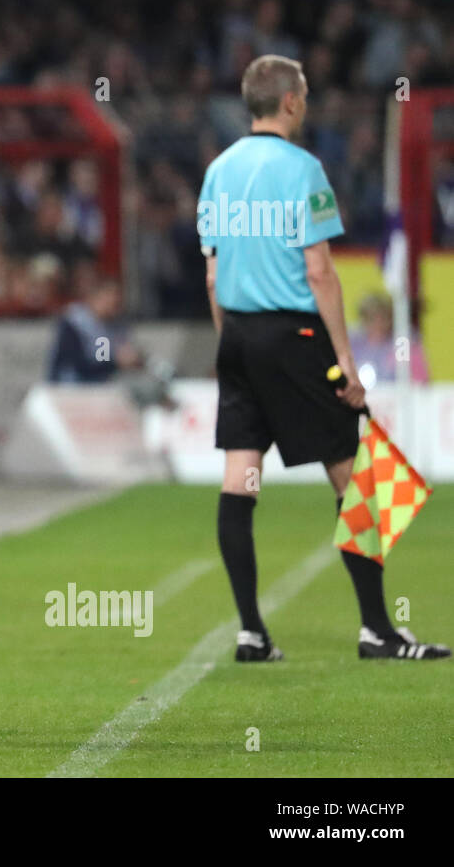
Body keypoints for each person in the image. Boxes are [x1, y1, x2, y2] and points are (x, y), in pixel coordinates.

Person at [199, 54, 448, 662]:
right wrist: (346, 362)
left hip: (238, 337)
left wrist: (228, 347)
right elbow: (319, 271)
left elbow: (212, 275)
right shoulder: (303, 170)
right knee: (356, 479)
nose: (306, 104)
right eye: (304, 94)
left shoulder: (218, 171)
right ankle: (376, 630)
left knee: (241, 480)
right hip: (297, 340)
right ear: (288, 102)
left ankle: (252, 632)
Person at [46, 276, 144, 382]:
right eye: (109, 299)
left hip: (98, 387)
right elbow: (76, 366)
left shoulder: (114, 325)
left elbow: (102, 363)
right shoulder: (73, 323)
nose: (113, 305)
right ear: (95, 298)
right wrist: (117, 362)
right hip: (66, 387)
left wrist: (132, 359)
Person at [347, 292, 430, 385]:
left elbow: (420, 380)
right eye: (372, 318)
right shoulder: (353, 343)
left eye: (383, 318)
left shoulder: (403, 344)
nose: (378, 324)